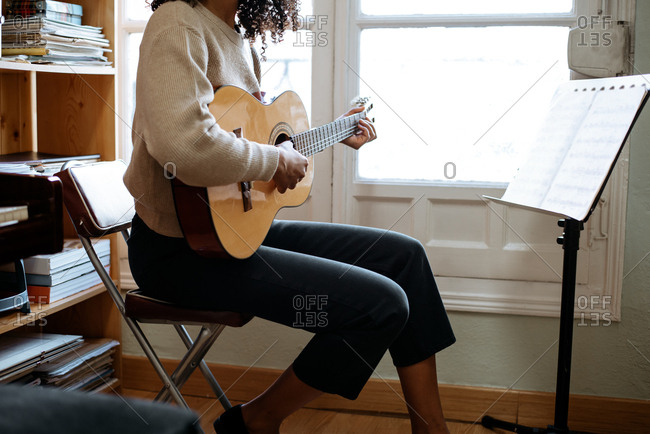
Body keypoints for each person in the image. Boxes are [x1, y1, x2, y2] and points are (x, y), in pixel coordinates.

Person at [124, 1, 456, 433]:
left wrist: (332, 132)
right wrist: (273, 160)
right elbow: (183, 149)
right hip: (177, 253)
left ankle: (431, 428)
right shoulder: (175, 24)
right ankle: (257, 420)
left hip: (227, 235)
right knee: (380, 308)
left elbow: (248, 150)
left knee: (404, 257)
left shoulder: (237, 39)